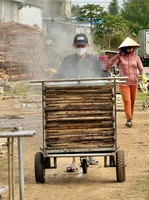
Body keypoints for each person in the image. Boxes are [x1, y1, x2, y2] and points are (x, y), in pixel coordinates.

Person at [53, 33, 109, 172]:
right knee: (74, 128)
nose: (80, 48)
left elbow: (103, 73)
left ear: (88, 46)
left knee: (89, 125)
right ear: (73, 46)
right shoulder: (67, 60)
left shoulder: (94, 60)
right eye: (78, 46)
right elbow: (60, 75)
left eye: (83, 46)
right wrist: (51, 80)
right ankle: (74, 161)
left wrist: (106, 76)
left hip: (89, 99)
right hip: (72, 99)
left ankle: (90, 154)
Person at [108, 37, 147, 128]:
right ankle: (128, 119)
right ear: (124, 48)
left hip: (134, 82)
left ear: (134, 48)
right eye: (128, 47)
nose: (130, 49)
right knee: (127, 101)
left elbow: (141, 69)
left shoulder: (137, 58)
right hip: (123, 82)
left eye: (131, 47)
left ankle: (130, 119)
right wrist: (116, 56)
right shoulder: (120, 56)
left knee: (132, 101)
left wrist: (144, 77)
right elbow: (110, 63)